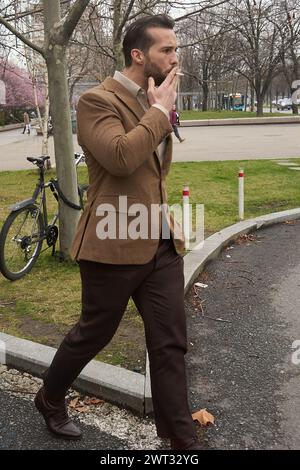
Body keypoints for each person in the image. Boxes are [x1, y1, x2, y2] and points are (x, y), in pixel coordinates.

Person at [34, 14, 202, 451]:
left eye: (176, 49)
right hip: (112, 242)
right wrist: (160, 112)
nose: (175, 57)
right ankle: (50, 397)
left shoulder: (156, 95)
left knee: (169, 343)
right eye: (167, 49)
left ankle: (181, 444)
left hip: (160, 241)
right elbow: (121, 157)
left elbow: (153, 169)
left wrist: (161, 108)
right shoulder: (96, 100)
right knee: (95, 332)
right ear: (138, 54)